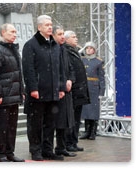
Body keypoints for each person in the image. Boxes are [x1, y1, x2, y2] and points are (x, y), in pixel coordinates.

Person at [22, 15, 65, 161]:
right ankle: (36, 150)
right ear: (39, 27)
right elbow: (28, 69)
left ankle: (48, 150)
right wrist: (33, 88)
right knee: (36, 124)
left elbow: (60, 69)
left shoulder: (54, 45)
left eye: (51, 24)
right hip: (38, 92)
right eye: (46, 25)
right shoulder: (31, 45)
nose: (50, 27)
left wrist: (61, 88)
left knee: (50, 123)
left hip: (53, 92)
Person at [0, 23, 25, 162]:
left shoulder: (13, 49)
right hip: (4, 95)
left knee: (12, 126)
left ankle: (10, 152)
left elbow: (18, 74)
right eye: (11, 32)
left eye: (15, 32)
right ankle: (0, 153)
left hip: (14, 94)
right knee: (2, 126)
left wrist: (22, 91)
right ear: (3, 33)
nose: (14, 34)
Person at [63, 30, 90, 152]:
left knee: (77, 118)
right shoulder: (65, 51)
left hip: (79, 90)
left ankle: (74, 141)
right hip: (73, 90)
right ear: (66, 39)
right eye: (73, 37)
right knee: (71, 118)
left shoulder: (75, 51)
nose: (76, 38)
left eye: (76, 36)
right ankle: (68, 142)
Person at [51, 26, 76, 157]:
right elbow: (55, 71)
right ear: (53, 35)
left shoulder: (64, 50)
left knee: (65, 121)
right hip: (57, 91)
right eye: (59, 34)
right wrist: (62, 85)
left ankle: (62, 146)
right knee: (57, 122)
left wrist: (70, 80)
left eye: (63, 34)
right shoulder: (52, 49)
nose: (62, 36)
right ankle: (54, 148)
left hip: (67, 91)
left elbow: (70, 68)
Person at [79, 41, 105, 140]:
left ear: (94, 50)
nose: (89, 50)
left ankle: (93, 131)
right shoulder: (83, 60)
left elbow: (101, 77)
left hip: (94, 88)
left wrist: (101, 91)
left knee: (93, 110)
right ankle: (86, 131)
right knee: (85, 110)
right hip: (85, 87)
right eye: (87, 48)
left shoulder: (98, 61)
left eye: (91, 48)